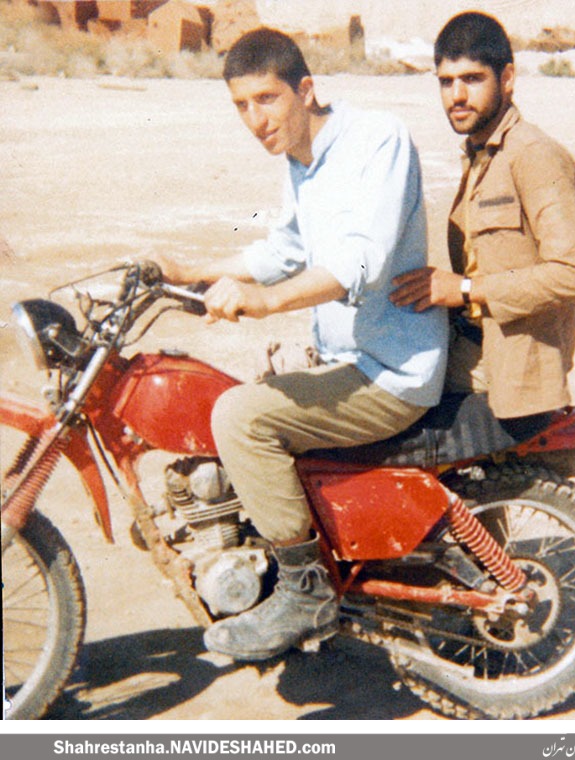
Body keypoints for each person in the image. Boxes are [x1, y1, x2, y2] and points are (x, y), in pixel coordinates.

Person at [159, 27, 448, 661]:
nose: (255, 120)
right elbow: (284, 251)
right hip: (347, 359)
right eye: (241, 106)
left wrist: (264, 302)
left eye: (267, 99)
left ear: (306, 90)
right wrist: (192, 272)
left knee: (240, 416)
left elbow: (360, 262)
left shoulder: (377, 140)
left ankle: (305, 589)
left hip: (390, 369)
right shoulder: (300, 159)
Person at [391, 11, 575, 430]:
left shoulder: (533, 155)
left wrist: (465, 290)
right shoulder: (482, 153)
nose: (457, 96)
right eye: (446, 82)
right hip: (475, 342)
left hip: (512, 367)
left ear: (507, 78)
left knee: (385, 408)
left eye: (472, 79)